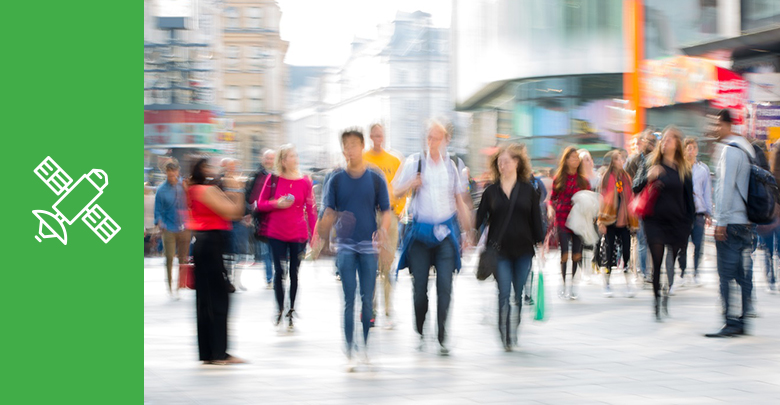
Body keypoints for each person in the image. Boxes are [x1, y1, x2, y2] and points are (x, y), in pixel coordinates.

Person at [393, 120, 473, 356]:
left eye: (437, 137)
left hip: (446, 234)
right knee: (419, 289)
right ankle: (420, 330)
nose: (432, 141)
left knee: (445, 286)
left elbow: (459, 200)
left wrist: (467, 232)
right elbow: (394, 190)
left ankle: (442, 334)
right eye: (429, 137)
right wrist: (411, 183)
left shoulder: (454, 165)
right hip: (420, 234)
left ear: (446, 140)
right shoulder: (414, 162)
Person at [316, 129, 392, 370]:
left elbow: (386, 211)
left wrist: (383, 232)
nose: (350, 150)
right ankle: (349, 350)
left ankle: (365, 348)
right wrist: (322, 238)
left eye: (354, 145)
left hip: (369, 248)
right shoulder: (335, 179)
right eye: (346, 146)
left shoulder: (376, 177)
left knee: (367, 301)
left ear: (362, 147)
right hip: (346, 247)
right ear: (343, 150)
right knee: (349, 300)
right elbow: (327, 211)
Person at [475, 144, 543, 351]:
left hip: (523, 250)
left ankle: (514, 327)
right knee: (503, 292)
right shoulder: (491, 191)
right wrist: (471, 235)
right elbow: (480, 218)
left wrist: (541, 243)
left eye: (506, 161)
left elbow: (536, 220)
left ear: (517, 162)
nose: (502, 165)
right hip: (500, 250)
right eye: (499, 162)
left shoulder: (528, 190)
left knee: (518, 292)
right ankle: (504, 332)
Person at [187, 158, 246, 365]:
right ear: (203, 169)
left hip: (204, 245)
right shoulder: (204, 190)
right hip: (212, 245)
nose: (215, 169)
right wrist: (238, 189)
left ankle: (210, 353)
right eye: (211, 166)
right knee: (220, 298)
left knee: (206, 300)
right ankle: (220, 353)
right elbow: (234, 212)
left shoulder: (196, 189)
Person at [633, 126, 694, 321]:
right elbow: (636, 186)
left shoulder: (683, 169)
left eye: (670, 139)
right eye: (664, 139)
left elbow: (689, 201)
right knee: (657, 261)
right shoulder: (652, 162)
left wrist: (688, 225)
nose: (665, 141)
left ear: (677, 144)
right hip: (654, 221)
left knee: (671, 262)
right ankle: (657, 302)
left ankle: (666, 293)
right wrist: (648, 175)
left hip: (677, 222)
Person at [256, 144, 317, 331]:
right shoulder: (272, 179)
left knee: (294, 273)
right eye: (291, 155)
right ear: (283, 160)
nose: (295, 158)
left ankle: (291, 308)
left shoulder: (305, 181)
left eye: (296, 155)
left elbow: (311, 210)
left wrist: (314, 234)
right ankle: (279, 307)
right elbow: (260, 203)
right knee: (279, 272)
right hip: (276, 232)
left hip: (298, 234)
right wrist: (276, 203)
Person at [707, 110, 755, 337]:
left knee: (726, 275)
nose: (716, 129)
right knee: (743, 274)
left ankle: (729, 322)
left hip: (731, 222)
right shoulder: (747, 147)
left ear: (726, 125)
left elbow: (725, 188)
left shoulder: (729, 149)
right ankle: (744, 320)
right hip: (747, 221)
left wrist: (721, 222)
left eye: (718, 124)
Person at [362, 123, 403, 329]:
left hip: (390, 215)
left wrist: (398, 209)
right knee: (370, 264)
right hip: (369, 217)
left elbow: (402, 187)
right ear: (370, 136)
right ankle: (371, 309)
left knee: (387, 264)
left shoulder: (394, 160)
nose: (378, 138)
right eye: (375, 135)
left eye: (381, 135)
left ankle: (388, 309)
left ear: (384, 136)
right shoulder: (363, 159)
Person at [550, 146, 590, 300]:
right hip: (563, 219)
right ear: (566, 160)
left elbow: (589, 199)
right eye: (572, 157)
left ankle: (572, 285)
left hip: (579, 220)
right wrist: (550, 210)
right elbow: (553, 198)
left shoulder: (583, 181)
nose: (575, 160)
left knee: (577, 254)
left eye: (576, 157)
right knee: (565, 253)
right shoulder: (559, 178)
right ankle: (563, 283)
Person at [597, 150, 638, 297]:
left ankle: (628, 283)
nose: (621, 161)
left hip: (624, 221)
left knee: (626, 252)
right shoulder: (606, 178)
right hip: (610, 220)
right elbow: (602, 199)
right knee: (609, 254)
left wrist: (633, 220)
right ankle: (607, 283)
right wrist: (601, 220)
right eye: (618, 159)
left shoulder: (626, 178)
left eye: (622, 159)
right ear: (613, 161)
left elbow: (631, 198)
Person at [154, 160, 191, 299]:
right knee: (169, 257)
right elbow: (157, 210)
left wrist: (186, 188)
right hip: (168, 227)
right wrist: (160, 223)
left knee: (183, 259)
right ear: (166, 174)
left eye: (173, 174)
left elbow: (191, 202)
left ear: (177, 172)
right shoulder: (161, 190)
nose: (171, 178)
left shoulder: (183, 185)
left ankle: (179, 286)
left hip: (184, 227)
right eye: (169, 175)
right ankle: (170, 288)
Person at [627, 129, 657, 283]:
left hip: (657, 205)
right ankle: (643, 271)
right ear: (643, 142)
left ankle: (651, 271)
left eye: (654, 140)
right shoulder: (635, 160)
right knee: (642, 239)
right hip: (641, 204)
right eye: (649, 140)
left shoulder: (660, 158)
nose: (651, 143)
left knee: (654, 240)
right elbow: (632, 184)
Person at [683, 137, 712, 287]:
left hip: (699, 212)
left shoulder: (703, 169)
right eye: (688, 148)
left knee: (699, 244)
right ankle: (682, 272)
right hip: (683, 213)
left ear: (697, 150)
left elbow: (707, 191)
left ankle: (696, 273)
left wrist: (709, 211)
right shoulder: (679, 168)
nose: (691, 151)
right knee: (682, 245)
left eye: (693, 147)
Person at [246, 149, 276, 289]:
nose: (269, 161)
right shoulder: (256, 175)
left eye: (271, 158)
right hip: (262, 218)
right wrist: (249, 213)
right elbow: (250, 195)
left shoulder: (279, 175)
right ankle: (270, 278)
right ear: (263, 159)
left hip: (276, 217)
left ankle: (277, 276)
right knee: (265, 250)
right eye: (267, 158)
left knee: (275, 249)